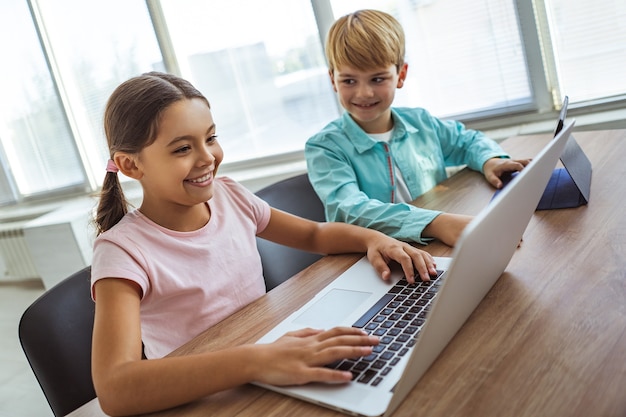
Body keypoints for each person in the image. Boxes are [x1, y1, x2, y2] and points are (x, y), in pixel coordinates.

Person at [90, 71, 438, 416]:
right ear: (130, 165)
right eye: (183, 148)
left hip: (268, 361)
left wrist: (373, 239)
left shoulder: (230, 196)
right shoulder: (122, 252)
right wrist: (257, 360)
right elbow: (115, 389)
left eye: (210, 138)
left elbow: (314, 235)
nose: (207, 157)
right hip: (209, 396)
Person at [305, 9, 530, 248]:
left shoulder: (420, 122)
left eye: (378, 79)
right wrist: (437, 223)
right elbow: (351, 210)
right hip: (376, 256)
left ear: (400, 75)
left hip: (436, 243)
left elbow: (468, 141)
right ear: (333, 80)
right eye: (349, 81)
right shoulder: (324, 147)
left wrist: (490, 160)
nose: (364, 93)